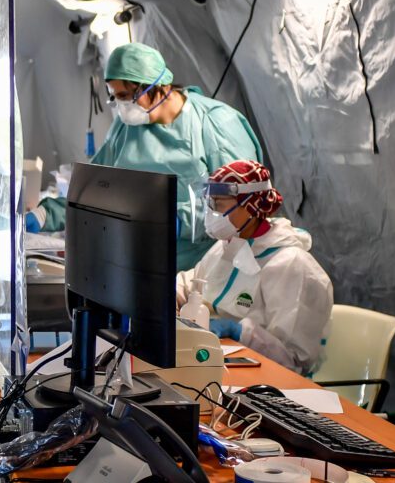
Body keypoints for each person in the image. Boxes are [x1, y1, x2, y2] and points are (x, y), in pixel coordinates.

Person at [27, 42, 263, 270]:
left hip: (201, 268)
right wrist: (48, 213)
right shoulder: (124, 128)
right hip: (136, 263)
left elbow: (242, 204)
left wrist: (174, 221)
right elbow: (94, 186)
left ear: (156, 86)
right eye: (114, 96)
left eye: (125, 95)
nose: (121, 105)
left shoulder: (214, 123)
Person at [177, 160, 333, 374]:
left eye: (219, 203)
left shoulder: (292, 266)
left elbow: (293, 361)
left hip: (275, 382)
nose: (211, 212)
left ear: (251, 205)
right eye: (209, 202)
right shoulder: (228, 245)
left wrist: (241, 332)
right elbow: (195, 282)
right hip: (222, 365)